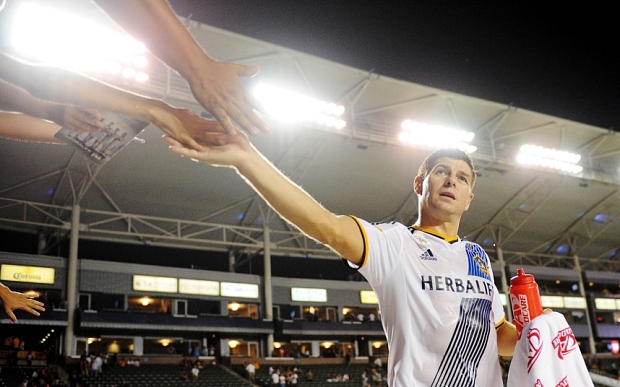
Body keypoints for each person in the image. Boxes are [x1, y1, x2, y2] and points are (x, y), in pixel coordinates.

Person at [164, 132, 519, 387]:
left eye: (462, 178)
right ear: (419, 183)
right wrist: (247, 160)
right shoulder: (395, 243)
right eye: (442, 171)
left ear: (469, 198)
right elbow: (327, 226)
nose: (451, 181)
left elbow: (498, 335)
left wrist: (538, 335)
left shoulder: (478, 257)